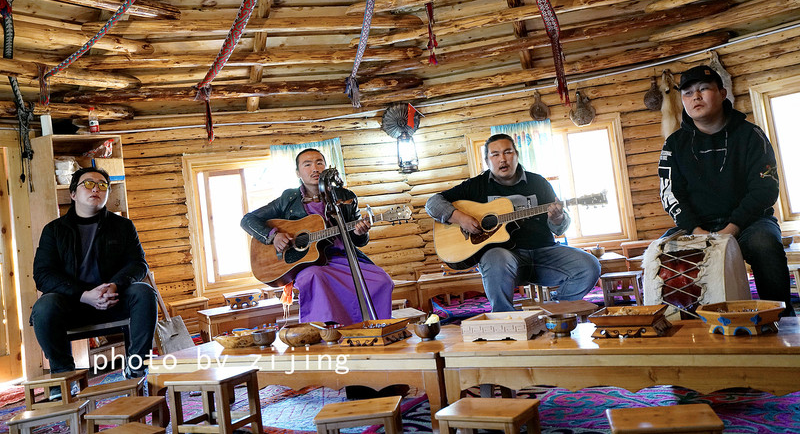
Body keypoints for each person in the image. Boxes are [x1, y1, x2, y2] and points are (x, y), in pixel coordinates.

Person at [658, 64, 795, 316]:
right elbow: (670, 194)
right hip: (696, 225)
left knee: (766, 244)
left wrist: (730, 230)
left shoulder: (751, 135)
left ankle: (780, 321)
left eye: (703, 89)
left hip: (750, 223)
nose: (695, 97)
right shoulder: (674, 144)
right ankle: (687, 324)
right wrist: (697, 231)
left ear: (722, 93)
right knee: (664, 251)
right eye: (687, 93)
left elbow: (765, 189)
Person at [425, 133, 601, 312]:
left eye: (508, 152)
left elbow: (559, 228)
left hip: (544, 254)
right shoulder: (476, 186)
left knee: (589, 265)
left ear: (516, 155)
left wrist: (557, 219)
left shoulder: (538, 182)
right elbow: (432, 203)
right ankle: (505, 319)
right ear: (487, 160)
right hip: (504, 261)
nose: (502, 159)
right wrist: (460, 218)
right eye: (495, 154)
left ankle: (558, 311)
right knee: (495, 257)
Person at [31, 167, 157, 384]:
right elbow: (43, 275)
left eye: (102, 185)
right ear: (73, 194)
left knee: (144, 292)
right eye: (88, 183)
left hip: (114, 299)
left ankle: (136, 367)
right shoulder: (54, 230)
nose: (96, 188)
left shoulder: (123, 226)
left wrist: (115, 285)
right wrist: (83, 294)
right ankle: (63, 377)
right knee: (44, 306)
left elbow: (138, 264)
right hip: (73, 304)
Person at [241, 148, 393, 325]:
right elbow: (248, 220)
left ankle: (371, 329)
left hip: (344, 259)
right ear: (298, 172)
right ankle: (327, 334)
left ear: (327, 167)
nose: (315, 168)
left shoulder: (346, 197)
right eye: (307, 164)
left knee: (382, 281)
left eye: (319, 163)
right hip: (309, 264)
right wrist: (273, 236)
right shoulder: (288, 198)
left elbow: (359, 240)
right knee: (314, 276)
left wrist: (359, 232)